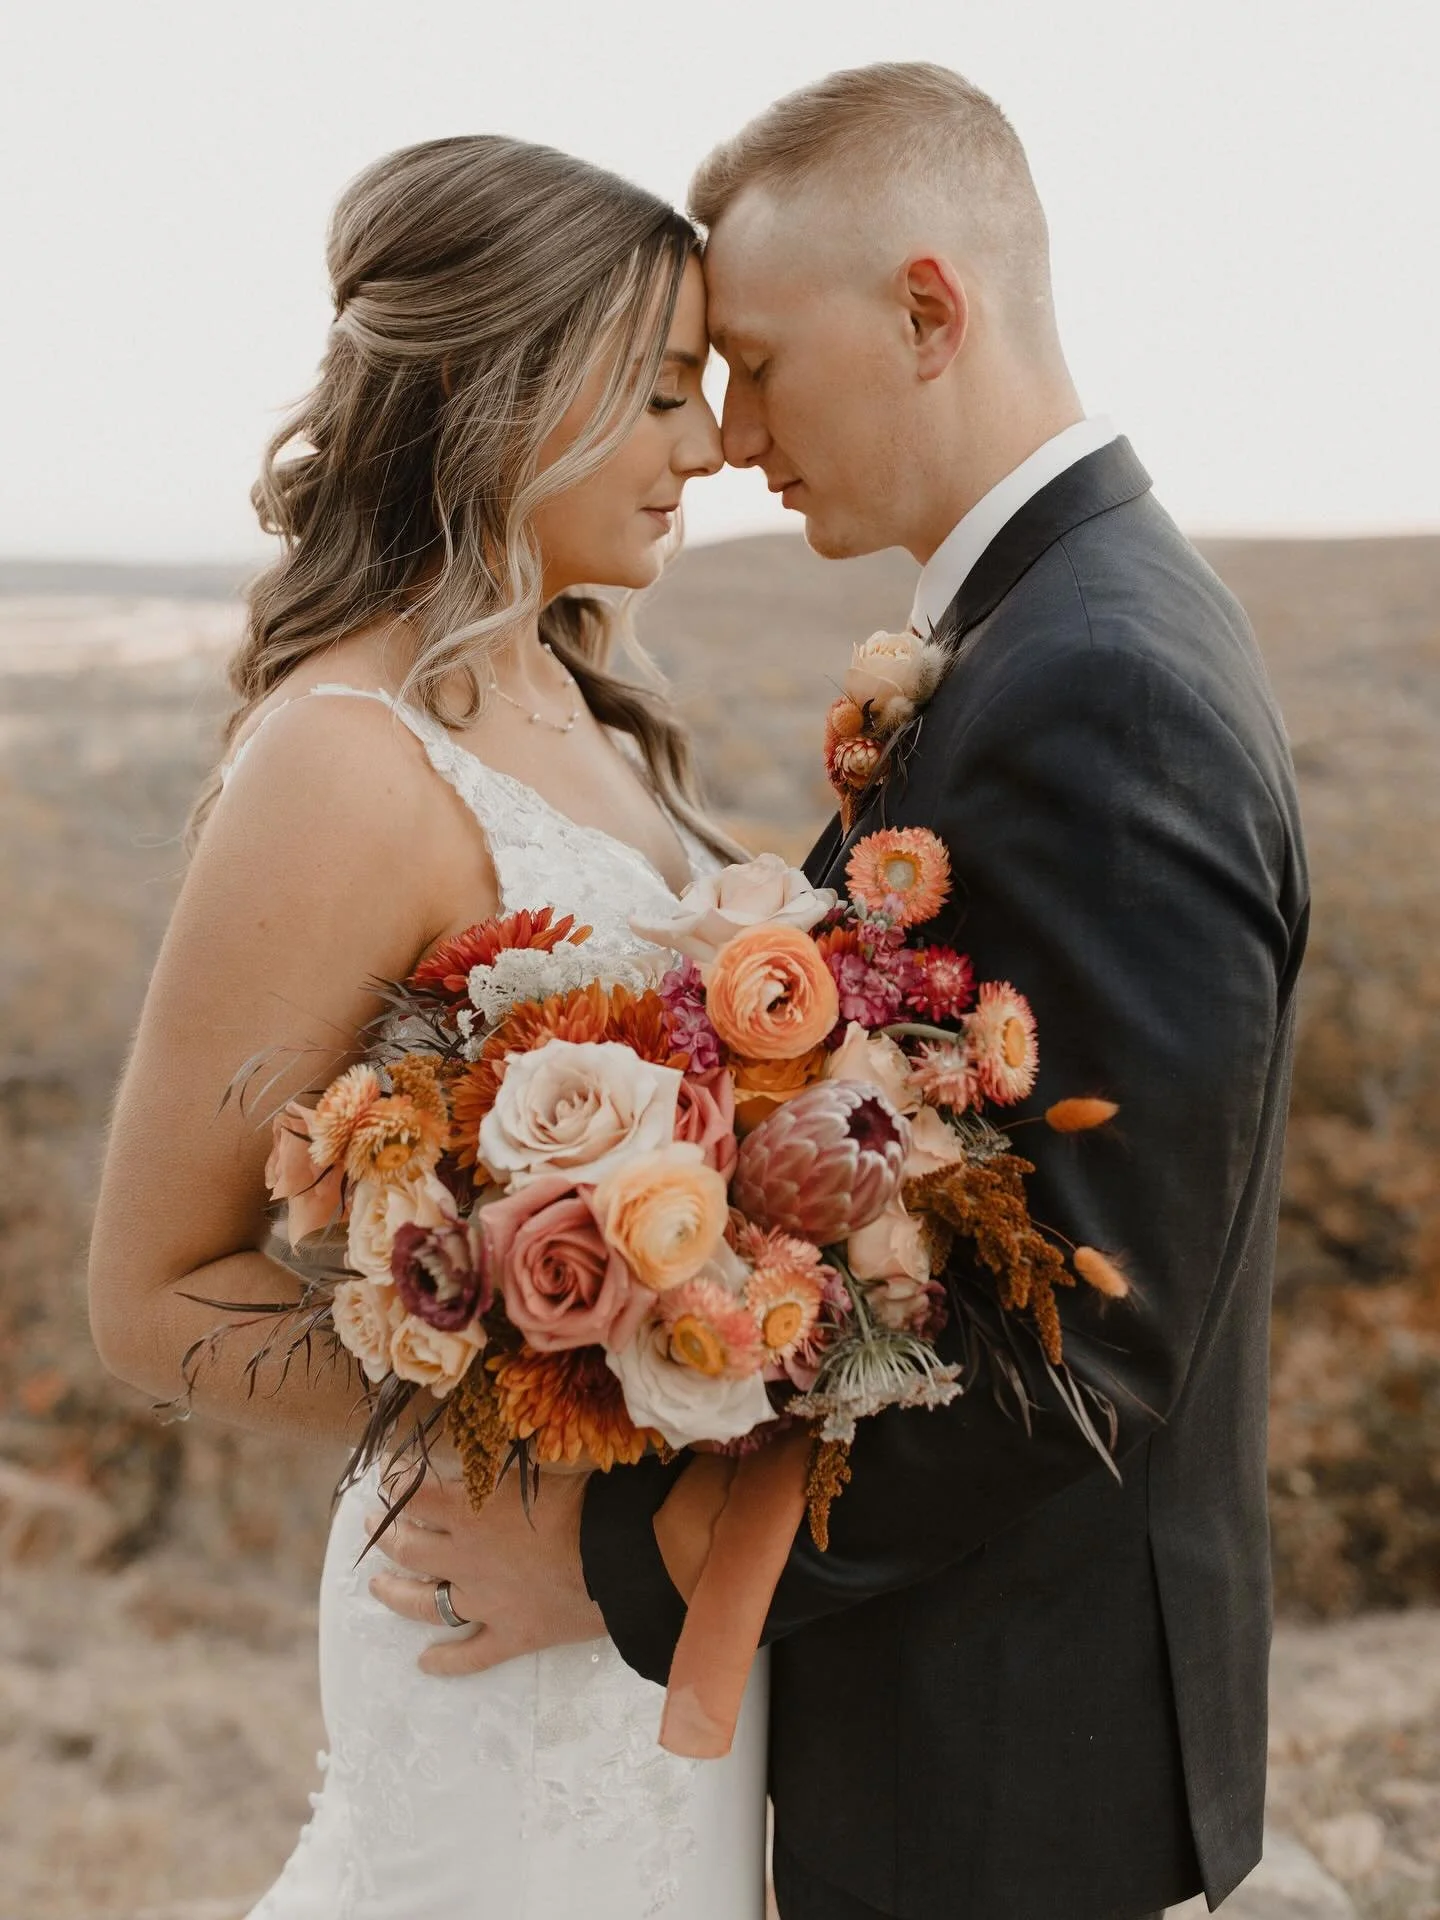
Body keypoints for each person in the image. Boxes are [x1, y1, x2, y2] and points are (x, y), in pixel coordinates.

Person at [387, 65, 1309, 1920]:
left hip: (1002, 1764)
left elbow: (1088, 1348)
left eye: (752, 358)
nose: (726, 434)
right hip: (971, 1715)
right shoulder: (1054, 634)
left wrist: (616, 1575)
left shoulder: (1093, 684)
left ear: (925, 311)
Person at [87, 135, 772, 1919]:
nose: (703, 445)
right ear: (501, 388)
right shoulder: (343, 762)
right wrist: (553, 1428)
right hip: (498, 1602)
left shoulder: (576, 695)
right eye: (657, 390)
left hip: (634, 1605)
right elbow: (151, 1302)